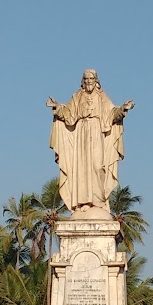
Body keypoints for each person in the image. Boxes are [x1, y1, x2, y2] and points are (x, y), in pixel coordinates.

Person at [47, 70, 133, 216]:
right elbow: (68, 113)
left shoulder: (102, 97)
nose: (88, 81)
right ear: (83, 80)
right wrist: (57, 107)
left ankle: (99, 201)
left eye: (91, 78)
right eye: (86, 79)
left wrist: (122, 109)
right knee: (82, 167)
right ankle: (84, 201)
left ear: (96, 80)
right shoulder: (77, 96)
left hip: (96, 131)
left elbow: (112, 114)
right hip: (81, 132)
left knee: (97, 165)